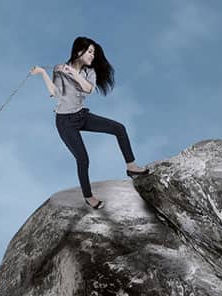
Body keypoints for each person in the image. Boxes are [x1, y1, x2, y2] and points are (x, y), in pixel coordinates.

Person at [29, 37, 149, 209]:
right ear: (79, 51)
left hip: (81, 116)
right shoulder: (59, 69)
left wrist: (74, 74)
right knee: (83, 159)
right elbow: (55, 93)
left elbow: (88, 89)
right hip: (65, 122)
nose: (93, 56)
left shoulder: (89, 72)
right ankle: (88, 197)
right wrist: (42, 72)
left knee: (118, 128)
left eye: (94, 53)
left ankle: (131, 167)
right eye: (90, 52)